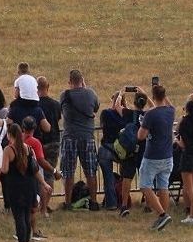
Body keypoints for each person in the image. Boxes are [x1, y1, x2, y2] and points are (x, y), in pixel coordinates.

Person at [1, 123, 48, 242]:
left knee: (19, 217)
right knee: (27, 215)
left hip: (15, 187)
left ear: (9, 135)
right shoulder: (28, 148)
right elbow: (35, 169)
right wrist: (44, 183)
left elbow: (4, 170)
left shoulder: (9, 150)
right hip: (29, 186)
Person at [137, 85, 176, 231]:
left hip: (153, 156)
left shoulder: (150, 115)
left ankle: (162, 214)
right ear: (165, 96)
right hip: (168, 155)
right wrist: (151, 95)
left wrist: (142, 125)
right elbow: (166, 104)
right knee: (163, 187)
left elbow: (141, 136)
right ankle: (162, 219)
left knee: (145, 185)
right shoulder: (170, 111)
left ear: (153, 97)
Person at [59, 70, 100, 210]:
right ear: (82, 80)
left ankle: (68, 202)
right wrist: (86, 88)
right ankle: (94, 202)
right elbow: (95, 108)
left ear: (70, 82)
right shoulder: (91, 93)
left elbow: (62, 112)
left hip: (70, 136)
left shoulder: (65, 95)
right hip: (87, 136)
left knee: (68, 171)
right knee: (90, 171)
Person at [98, 94, 126, 212]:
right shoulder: (126, 114)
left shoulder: (105, 113)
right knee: (126, 177)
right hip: (122, 149)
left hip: (106, 148)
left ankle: (111, 203)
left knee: (108, 178)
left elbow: (101, 125)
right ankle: (124, 200)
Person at [37, 76, 62, 198]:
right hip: (53, 141)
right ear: (48, 87)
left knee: (37, 174)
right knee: (49, 174)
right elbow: (57, 119)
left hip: (39, 143)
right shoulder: (56, 104)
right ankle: (45, 204)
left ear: (36, 89)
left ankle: (38, 202)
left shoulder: (35, 106)